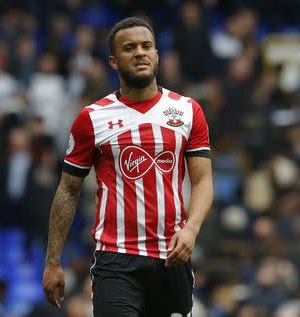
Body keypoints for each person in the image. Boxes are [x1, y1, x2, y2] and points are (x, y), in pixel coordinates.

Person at [43, 17, 214, 317]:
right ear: (113, 61)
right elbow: (68, 189)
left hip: (171, 256)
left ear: (157, 55)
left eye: (147, 46)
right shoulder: (92, 118)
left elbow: (202, 181)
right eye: (129, 48)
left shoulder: (187, 111)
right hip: (116, 259)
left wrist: (192, 229)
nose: (140, 53)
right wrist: (52, 261)